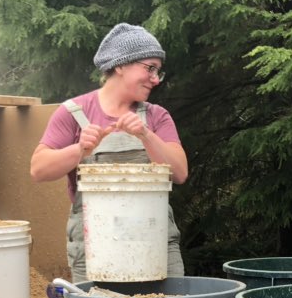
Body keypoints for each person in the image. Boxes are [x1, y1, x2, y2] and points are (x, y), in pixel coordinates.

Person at [31, 23, 188, 283]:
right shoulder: (73, 113)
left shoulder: (156, 116)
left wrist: (146, 135)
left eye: (158, 71)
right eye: (149, 68)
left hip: (155, 246)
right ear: (120, 65)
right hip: (96, 250)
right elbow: (38, 169)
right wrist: (80, 149)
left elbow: (180, 173)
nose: (156, 79)